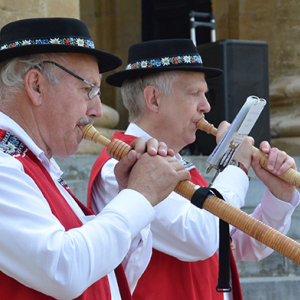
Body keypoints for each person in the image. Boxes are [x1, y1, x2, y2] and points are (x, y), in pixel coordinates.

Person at [87, 39, 300, 300]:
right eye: (194, 94)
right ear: (154, 99)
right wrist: (236, 165)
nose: (206, 106)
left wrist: (279, 197)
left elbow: (235, 243)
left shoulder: (177, 162)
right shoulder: (120, 165)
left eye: (205, 94)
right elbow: (200, 237)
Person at [0, 19, 191, 300]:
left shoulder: (34, 164)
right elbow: (64, 270)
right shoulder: (6, 165)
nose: (98, 110)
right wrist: (138, 197)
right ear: (36, 85)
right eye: (88, 90)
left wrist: (130, 197)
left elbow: (103, 277)